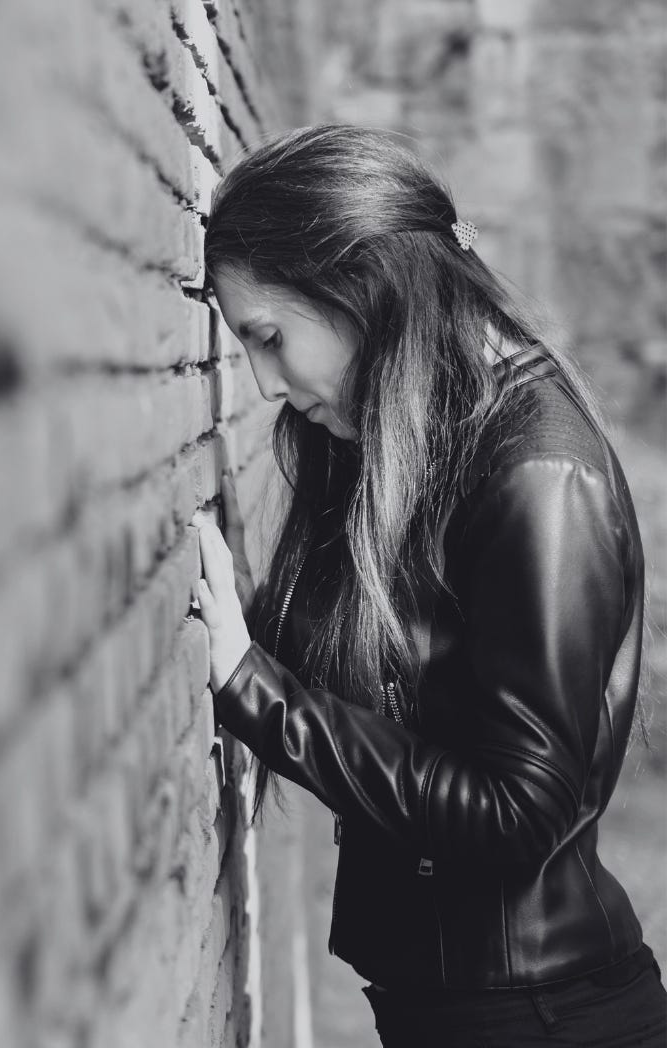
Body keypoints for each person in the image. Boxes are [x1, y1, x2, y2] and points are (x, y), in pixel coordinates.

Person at [186, 125, 667, 1047]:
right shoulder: (414, 443)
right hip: (471, 1009)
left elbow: (519, 811)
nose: (264, 383)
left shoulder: (538, 472)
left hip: (541, 1019)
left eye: (271, 336)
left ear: (359, 285)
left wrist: (253, 686)